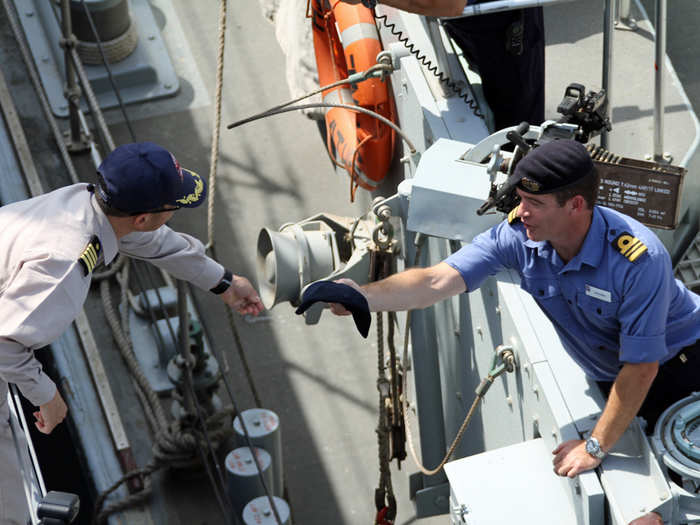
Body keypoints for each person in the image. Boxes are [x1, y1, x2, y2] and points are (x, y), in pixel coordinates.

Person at [329, 139, 698, 525]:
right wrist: (361, 296)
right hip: (613, 373)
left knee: (666, 498)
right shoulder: (520, 238)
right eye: (520, 199)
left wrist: (594, 446)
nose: (522, 212)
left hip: (681, 365)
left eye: (535, 204)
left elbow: (642, 367)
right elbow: (438, 281)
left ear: (575, 205)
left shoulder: (638, 260)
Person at [0, 142, 263, 524]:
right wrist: (47, 394)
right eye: (172, 204)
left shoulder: (84, 203)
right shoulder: (66, 263)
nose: (174, 210)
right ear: (141, 216)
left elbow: (153, 242)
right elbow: (4, 343)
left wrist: (223, 282)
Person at [343, 0, 545, 130]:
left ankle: (520, 170)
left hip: (499, 19)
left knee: (518, 119)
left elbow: (450, 3)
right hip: (470, 19)